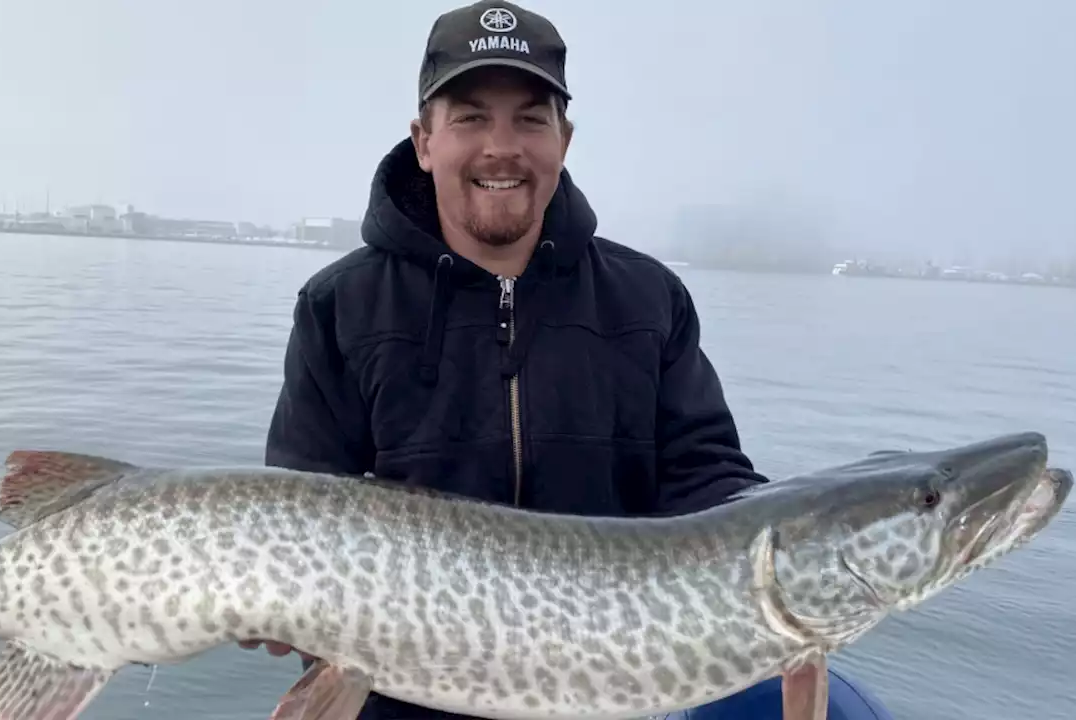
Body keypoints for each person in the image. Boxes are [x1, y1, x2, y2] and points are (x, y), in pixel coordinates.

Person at [256, 2, 771, 718]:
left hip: (605, 698)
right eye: (470, 117)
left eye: (530, 118)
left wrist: (774, 550)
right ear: (424, 140)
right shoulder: (337, 306)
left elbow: (708, 478)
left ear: (564, 138)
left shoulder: (650, 301)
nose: (503, 146)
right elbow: (301, 502)